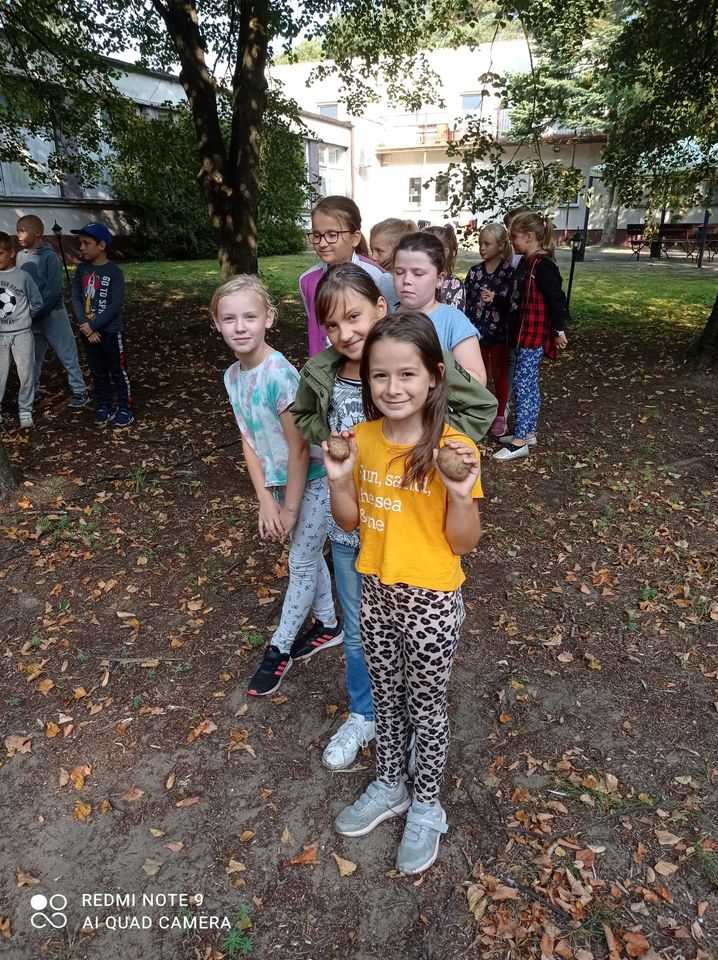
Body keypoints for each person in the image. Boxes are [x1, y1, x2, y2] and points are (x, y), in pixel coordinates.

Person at [292, 264, 496, 770]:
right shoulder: (325, 376)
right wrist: (331, 450)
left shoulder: (422, 377)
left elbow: (476, 406)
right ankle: (369, 718)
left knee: (423, 687)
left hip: (419, 557)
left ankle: (415, 754)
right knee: (362, 637)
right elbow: (306, 419)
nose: (345, 333)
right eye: (332, 324)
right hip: (361, 537)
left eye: (354, 317)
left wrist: (442, 450)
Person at [323, 312, 483, 875]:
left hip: (431, 601)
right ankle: (391, 784)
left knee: (426, 705)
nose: (393, 388)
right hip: (377, 595)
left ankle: (427, 805)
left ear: (435, 376)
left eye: (407, 374)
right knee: (386, 699)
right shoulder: (361, 441)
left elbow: (463, 543)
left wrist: (459, 494)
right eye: (380, 375)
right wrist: (339, 480)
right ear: (366, 378)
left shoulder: (454, 448)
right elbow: (349, 521)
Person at [211, 274, 343, 697]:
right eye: (229, 318)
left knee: (300, 561)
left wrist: (288, 509)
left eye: (250, 316)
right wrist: (265, 499)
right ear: (216, 323)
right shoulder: (233, 376)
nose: (240, 327)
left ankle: (280, 647)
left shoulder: (280, 374)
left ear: (269, 318)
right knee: (307, 554)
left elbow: (300, 448)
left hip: (316, 481)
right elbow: (248, 441)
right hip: (283, 485)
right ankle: (329, 624)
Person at [494, 211, 568, 461]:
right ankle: (528, 432)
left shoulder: (543, 265)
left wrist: (558, 330)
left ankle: (519, 442)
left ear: (529, 236)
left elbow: (557, 299)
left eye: (513, 236)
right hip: (522, 335)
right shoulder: (527, 263)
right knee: (528, 384)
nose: (511, 241)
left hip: (533, 337)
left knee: (522, 385)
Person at [300, 196, 398, 358]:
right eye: (317, 235)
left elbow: (393, 326)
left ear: (355, 238)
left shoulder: (378, 277)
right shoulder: (306, 280)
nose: (322, 243)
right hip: (324, 366)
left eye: (332, 234)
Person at [392, 232, 486, 385]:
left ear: (440, 279)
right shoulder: (385, 317)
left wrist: (428, 372)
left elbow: (478, 380)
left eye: (418, 273)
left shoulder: (454, 321)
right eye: (399, 272)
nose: (406, 280)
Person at [15, 215, 89, 409]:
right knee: (32, 357)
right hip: (31, 319)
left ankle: (80, 390)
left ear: (38, 232)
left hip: (53, 315)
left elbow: (53, 291)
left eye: (23, 230)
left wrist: (35, 311)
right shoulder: (20, 257)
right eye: (17, 231)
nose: (18, 235)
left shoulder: (50, 258)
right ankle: (32, 391)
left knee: (67, 354)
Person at [70, 223, 133, 427]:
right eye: (80, 243)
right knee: (98, 371)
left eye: (86, 243)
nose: (81, 247)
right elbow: (76, 299)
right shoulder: (82, 270)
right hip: (88, 332)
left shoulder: (114, 273)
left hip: (111, 332)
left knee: (118, 370)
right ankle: (104, 406)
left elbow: (115, 305)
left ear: (101, 245)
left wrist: (94, 325)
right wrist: (86, 326)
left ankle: (124, 408)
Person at [464, 223, 514, 438]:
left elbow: (513, 305)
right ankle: (480, 413)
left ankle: (500, 414)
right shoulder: (474, 272)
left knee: (500, 374)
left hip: (500, 336)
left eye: (487, 243)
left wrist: (495, 300)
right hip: (476, 335)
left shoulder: (509, 273)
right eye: (480, 243)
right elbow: (466, 303)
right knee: (478, 375)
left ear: (500, 245)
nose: (482, 248)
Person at [0, 232, 42, 428]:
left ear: (11, 252)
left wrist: (25, 318)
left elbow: (37, 302)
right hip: (0, 335)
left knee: (26, 373)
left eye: (0, 253)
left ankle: (25, 409)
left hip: (22, 334)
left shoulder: (23, 277)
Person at [422, 224, 465, 311]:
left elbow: (455, 317)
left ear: (445, 252)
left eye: (424, 249)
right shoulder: (415, 278)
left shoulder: (454, 285)